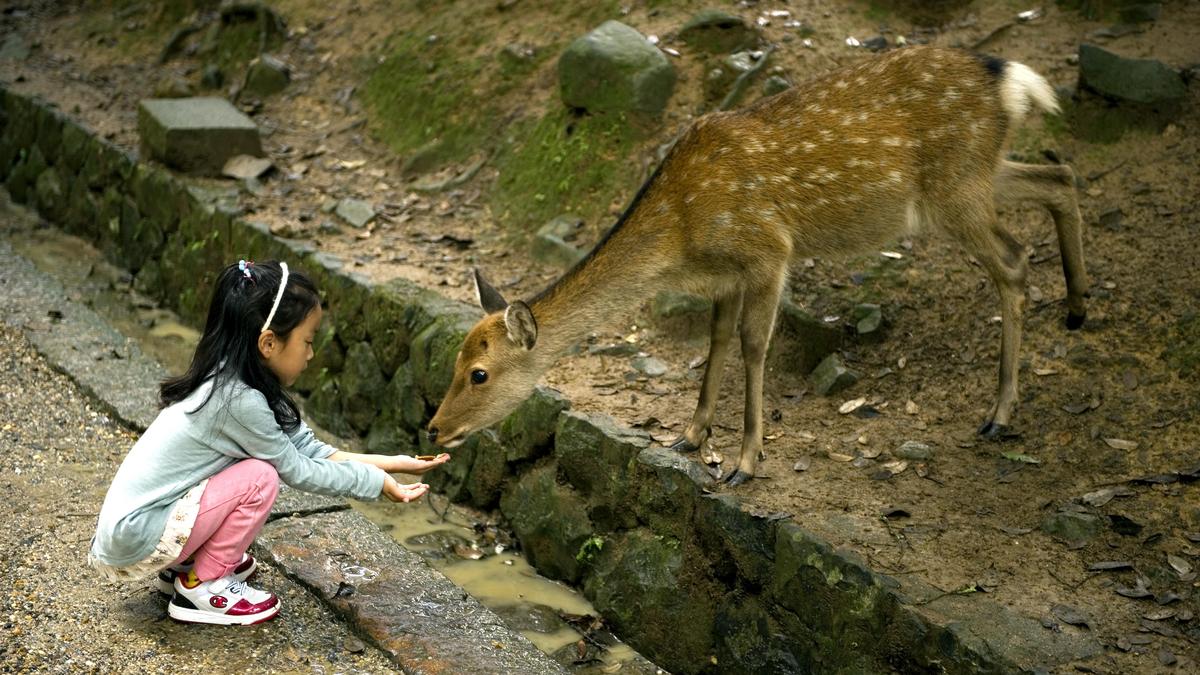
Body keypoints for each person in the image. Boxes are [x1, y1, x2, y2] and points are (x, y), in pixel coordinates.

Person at [88, 259, 449, 625]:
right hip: (136, 535)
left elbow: (311, 450)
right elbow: (298, 469)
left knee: (251, 468)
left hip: (135, 525)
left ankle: (189, 563)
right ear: (269, 342)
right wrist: (376, 484)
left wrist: (393, 463)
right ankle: (202, 585)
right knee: (260, 476)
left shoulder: (238, 377)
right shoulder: (238, 400)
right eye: (307, 341)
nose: (310, 354)